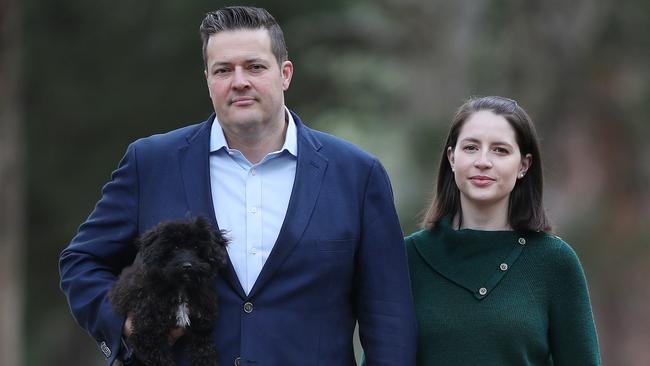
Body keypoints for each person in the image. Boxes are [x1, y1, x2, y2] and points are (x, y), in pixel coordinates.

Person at [59, 6, 417, 366]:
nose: (239, 80)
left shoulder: (357, 174)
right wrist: (126, 323)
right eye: (223, 70)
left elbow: (389, 317)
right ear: (208, 80)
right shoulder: (151, 162)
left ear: (285, 74)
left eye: (255, 66)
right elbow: (81, 261)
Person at [407, 96, 601, 365]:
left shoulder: (554, 261)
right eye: (471, 147)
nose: (483, 161)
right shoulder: (408, 258)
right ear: (452, 158)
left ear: (523, 165)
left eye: (500, 150)